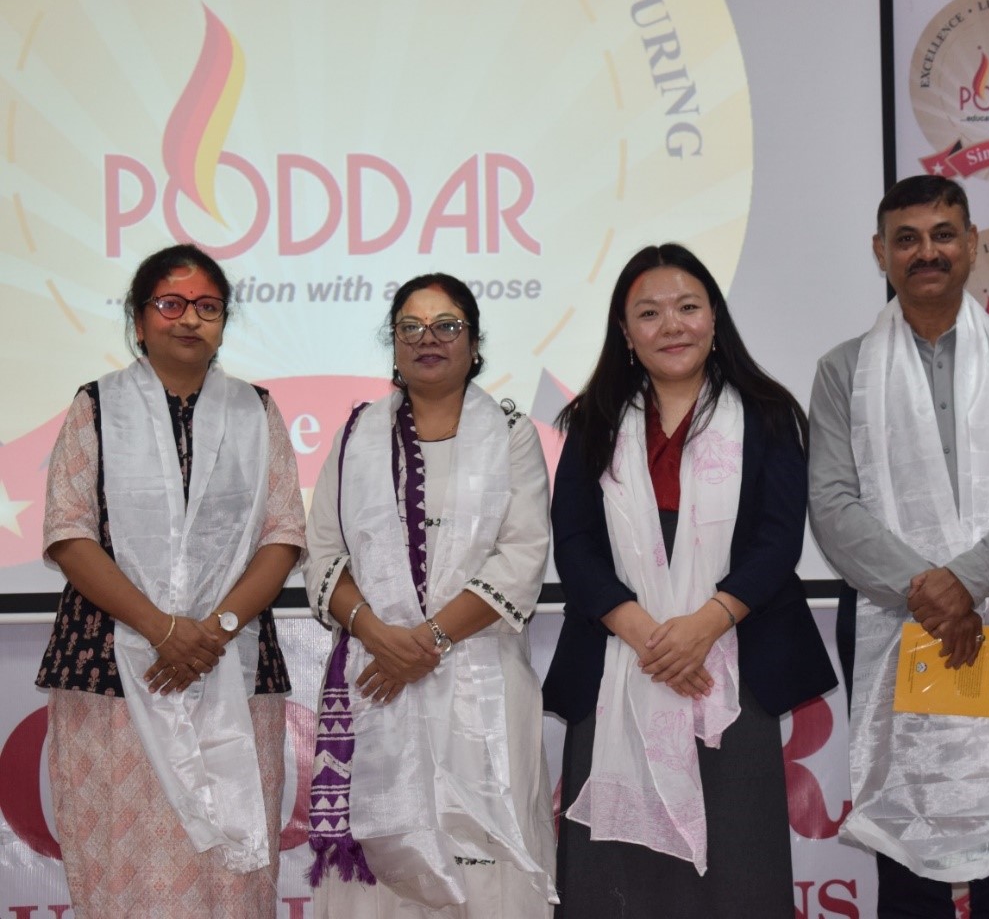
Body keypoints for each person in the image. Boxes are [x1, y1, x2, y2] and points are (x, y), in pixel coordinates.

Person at [808, 175, 989, 918]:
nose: (926, 252)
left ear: (972, 243)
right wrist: (929, 591)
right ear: (880, 253)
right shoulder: (843, 370)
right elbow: (832, 506)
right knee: (909, 855)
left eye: (943, 235)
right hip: (893, 618)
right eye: (907, 239)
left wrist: (964, 582)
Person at [543, 243, 837, 918]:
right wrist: (649, 636)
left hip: (731, 663)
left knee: (737, 872)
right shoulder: (593, 422)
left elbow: (777, 541)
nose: (671, 325)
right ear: (625, 333)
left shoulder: (766, 414)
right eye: (649, 313)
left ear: (714, 318)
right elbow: (575, 544)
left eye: (687, 307)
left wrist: (703, 627)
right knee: (613, 881)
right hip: (620, 662)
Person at [38, 244, 305, 915]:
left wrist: (212, 632)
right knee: (124, 862)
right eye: (171, 304)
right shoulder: (96, 406)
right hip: (108, 665)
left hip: (232, 661)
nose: (189, 319)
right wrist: (162, 629)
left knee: (230, 872)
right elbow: (69, 533)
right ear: (139, 319)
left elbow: (283, 535)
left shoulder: (256, 411)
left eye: (207, 307)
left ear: (224, 322)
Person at [303, 273, 557, 918]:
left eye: (447, 326)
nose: (428, 339)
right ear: (392, 344)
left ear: (474, 342)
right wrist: (380, 638)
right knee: (383, 877)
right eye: (410, 328)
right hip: (375, 676)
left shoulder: (512, 433)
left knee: (488, 858)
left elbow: (521, 556)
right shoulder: (357, 435)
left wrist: (427, 643)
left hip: (481, 677)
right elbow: (324, 554)